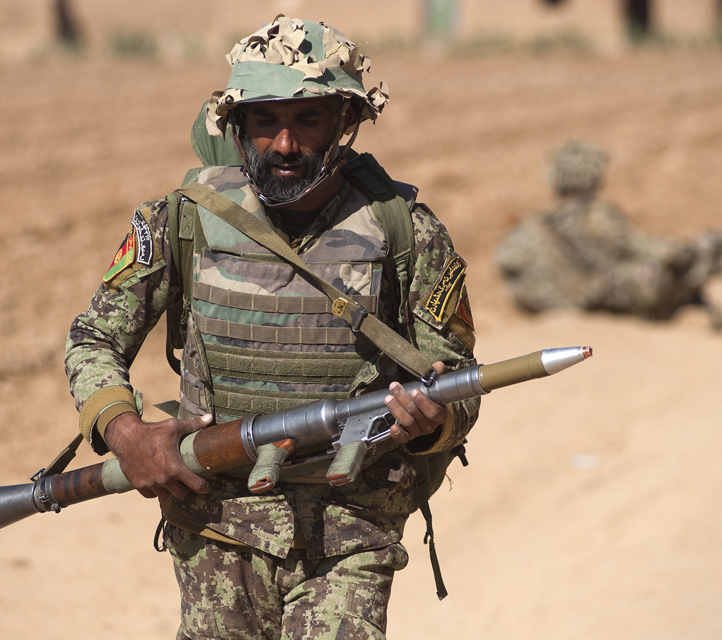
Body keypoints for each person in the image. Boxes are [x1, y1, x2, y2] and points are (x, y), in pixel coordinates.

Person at [65, 16, 479, 639]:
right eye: (265, 121)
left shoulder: (405, 231)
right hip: (215, 527)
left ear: (345, 123)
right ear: (237, 127)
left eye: (307, 120)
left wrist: (435, 421)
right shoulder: (184, 221)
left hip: (352, 533)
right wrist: (126, 433)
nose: (284, 144)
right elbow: (93, 339)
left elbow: (461, 383)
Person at [496, 139, 722, 339]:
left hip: (600, 298)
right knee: (714, 246)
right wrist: (678, 250)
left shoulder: (540, 224)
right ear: (592, 176)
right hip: (633, 293)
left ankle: (701, 315)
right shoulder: (598, 214)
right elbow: (650, 250)